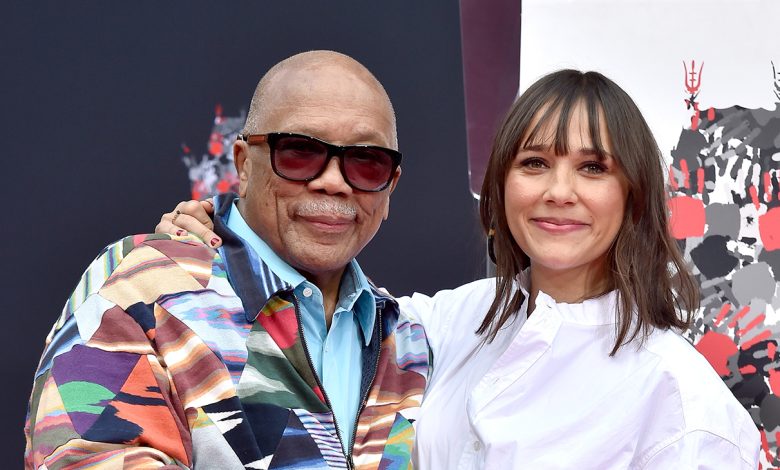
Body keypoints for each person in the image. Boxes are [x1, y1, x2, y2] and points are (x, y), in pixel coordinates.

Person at [163, 69, 761, 468]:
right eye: (534, 163)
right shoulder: (446, 323)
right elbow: (319, 310)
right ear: (501, 186)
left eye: (593, 168)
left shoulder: (683, 403)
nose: (559, 191)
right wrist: (219, 230)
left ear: (634, 195)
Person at [25, 51, 430, 469]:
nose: (333, 182)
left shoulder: (412, 338)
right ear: (244, 164)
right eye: (299, 152)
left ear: (390, 187)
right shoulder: (142, 288)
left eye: (367, 162)